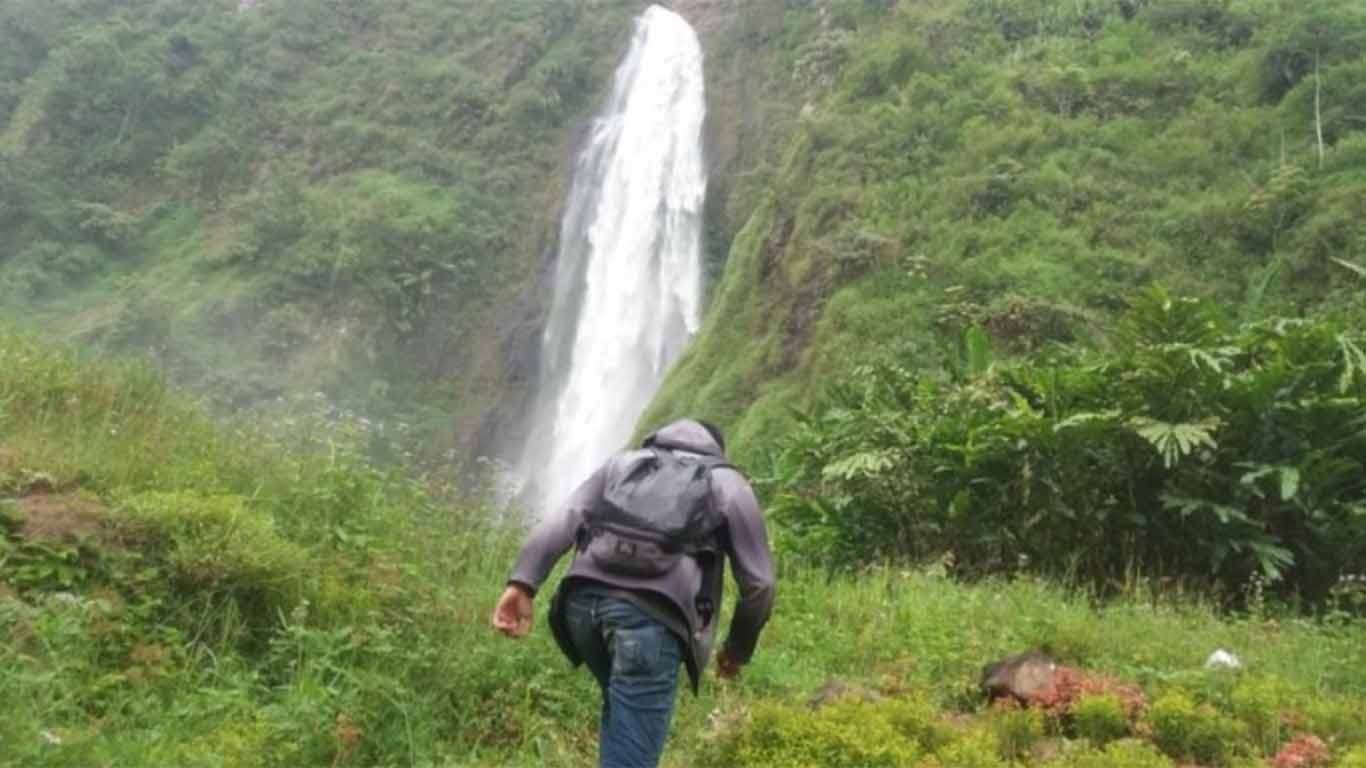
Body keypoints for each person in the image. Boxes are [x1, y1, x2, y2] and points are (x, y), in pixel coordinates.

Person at [491, 418, 775, 768]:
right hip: (650, 622)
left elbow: (564, 517)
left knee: (622, 713)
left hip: (580, 609)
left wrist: (521, 584)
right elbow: (760, 585)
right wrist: (736, 651)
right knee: (633, 744)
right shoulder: (726, 483)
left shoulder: (621, 464)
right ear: (716, 448)